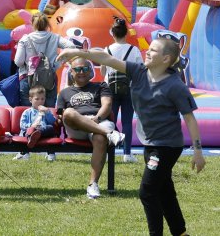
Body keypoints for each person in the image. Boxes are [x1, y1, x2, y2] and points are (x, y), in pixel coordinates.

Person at [58, 38, 205, 235]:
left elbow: (190, 119)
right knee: (164, 190)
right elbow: (106, 58)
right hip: (150, 143)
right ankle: (180, 232)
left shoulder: (175, 86)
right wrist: (77, 54)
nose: (148, 52)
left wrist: (198, 152)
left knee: (147, 192)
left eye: (153, 50)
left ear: (166, 58)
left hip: (167, 146)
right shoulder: (139, 71)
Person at [55, 57, 125, 199]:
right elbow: (62, 115)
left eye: (85, 69)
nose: (82, 72)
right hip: (76, 127)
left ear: (91, 72)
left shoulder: (101, 86)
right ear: (71, 72)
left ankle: (93, 185)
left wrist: (97, 118)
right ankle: (110, 134)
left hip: (98, 121)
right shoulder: (64, 93)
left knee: (100, 138)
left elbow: (107, 105)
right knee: (69, 112)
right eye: (78, 69)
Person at [14, 12, 74, 161]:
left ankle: (24, 151)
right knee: (49, 112)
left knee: (27, 112)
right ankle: (50, 151)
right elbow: (71, 46)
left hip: (28, 79)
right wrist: (57, 64)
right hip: (49, 79)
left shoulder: (25, 39)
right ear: (47, 25)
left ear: (33, 25)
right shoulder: (54, 37)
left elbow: (18, 61)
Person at [103, 17, 143, 163]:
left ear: (112, 33)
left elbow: (103, 72)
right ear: (127, 33)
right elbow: (140, 70)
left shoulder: (106, 49)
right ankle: (127, 154)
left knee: (109, 121)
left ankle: (109, 151)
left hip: (110, 90)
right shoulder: (134, 50)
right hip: (129, 89)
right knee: (127, 121)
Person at [13, 85, 58, 160]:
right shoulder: (27, 112)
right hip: (30, 131)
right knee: (26, 131)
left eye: (42, 99)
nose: (40, 101)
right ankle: (24, 153)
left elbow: (52, 121)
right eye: (37, 99)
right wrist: (32, 126)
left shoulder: (46, 111)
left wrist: (47, 112)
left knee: (50, 128)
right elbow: (22, 125)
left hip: (43, 132)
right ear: (30, 99)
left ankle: (51, 154)